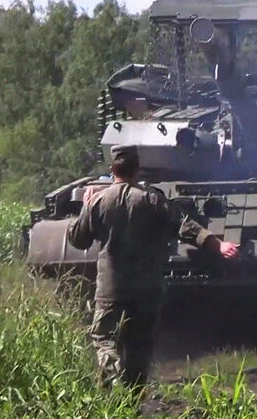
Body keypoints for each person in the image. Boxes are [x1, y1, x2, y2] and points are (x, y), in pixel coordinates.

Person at [67, 144, 238, 388]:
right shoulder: (151, 199)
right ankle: (133, 400)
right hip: (146, 289)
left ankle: (112, 378)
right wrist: (217, 244)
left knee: (104, 338)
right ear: (138, 168)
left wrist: (86, 206)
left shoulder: (100, 202)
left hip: (111, 287)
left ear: (112, 168)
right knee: (140, 345)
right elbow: (184, 226)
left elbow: (78, 238)